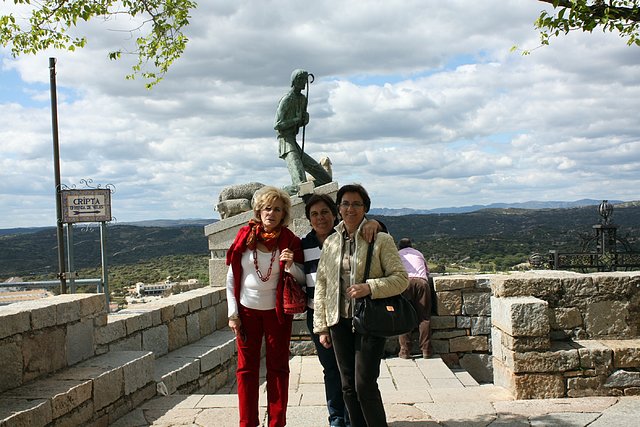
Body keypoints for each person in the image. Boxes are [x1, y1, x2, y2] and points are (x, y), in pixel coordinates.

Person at [313, 184, 408, 427]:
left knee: (364, 384)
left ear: (365, 207)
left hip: (369, 320)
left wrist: (370, 287)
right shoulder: (332, 242)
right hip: (339, 321)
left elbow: (400, 279)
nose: (350, 208)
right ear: (339, 208)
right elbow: (322, 285)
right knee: (347, 387)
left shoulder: (380, 239)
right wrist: (322, 327)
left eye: (356, 203)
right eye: (345, 203)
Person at [225, 186, 305, 427]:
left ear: (284, 214)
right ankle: (247, 422)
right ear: (258, 211)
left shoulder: (290, 240)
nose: (271, 213)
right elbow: (231, 277)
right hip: (246, 312)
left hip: (277, 314)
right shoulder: (244, 236)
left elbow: (301, 279)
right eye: (267, 208)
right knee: (246, 370)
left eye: (277, 209)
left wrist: (291, 265)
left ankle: (277, 422)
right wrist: (233, 314)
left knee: (278, 369)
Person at [302, 193, 384, 427]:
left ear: (335, 213)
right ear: (308, 219)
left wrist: (375, 222)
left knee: (356, 376)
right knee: (331, 370)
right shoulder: (303, 244)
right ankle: (337, 418)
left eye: (325, 212)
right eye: (314, 214)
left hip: (355, 314)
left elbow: (376, 233)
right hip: (321, 315)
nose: (320, 218)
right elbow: (310, 281)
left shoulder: (346, 237)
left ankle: (354, 419)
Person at [274, 69, 332, 193]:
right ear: (295, 81)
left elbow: (299, 122)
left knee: (326, 179)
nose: (304, 83)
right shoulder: (287, 99)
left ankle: (305, 190)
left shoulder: (303, 99)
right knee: (300, 184)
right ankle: (280, 193)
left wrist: (304, 120)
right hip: (286, 143)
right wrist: (296, 120)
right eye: (301, 80)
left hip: (294, 142)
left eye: (305, 80)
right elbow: (278, 124)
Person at [396, 238, 433, 359]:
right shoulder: (419, 254)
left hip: (405, 283)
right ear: (411, 246)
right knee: (424, 318)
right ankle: (426, 350)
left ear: (399, 247)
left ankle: (405, 351)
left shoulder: (397, 254)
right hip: (422, 283)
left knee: (404, 316)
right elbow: (427, 272)